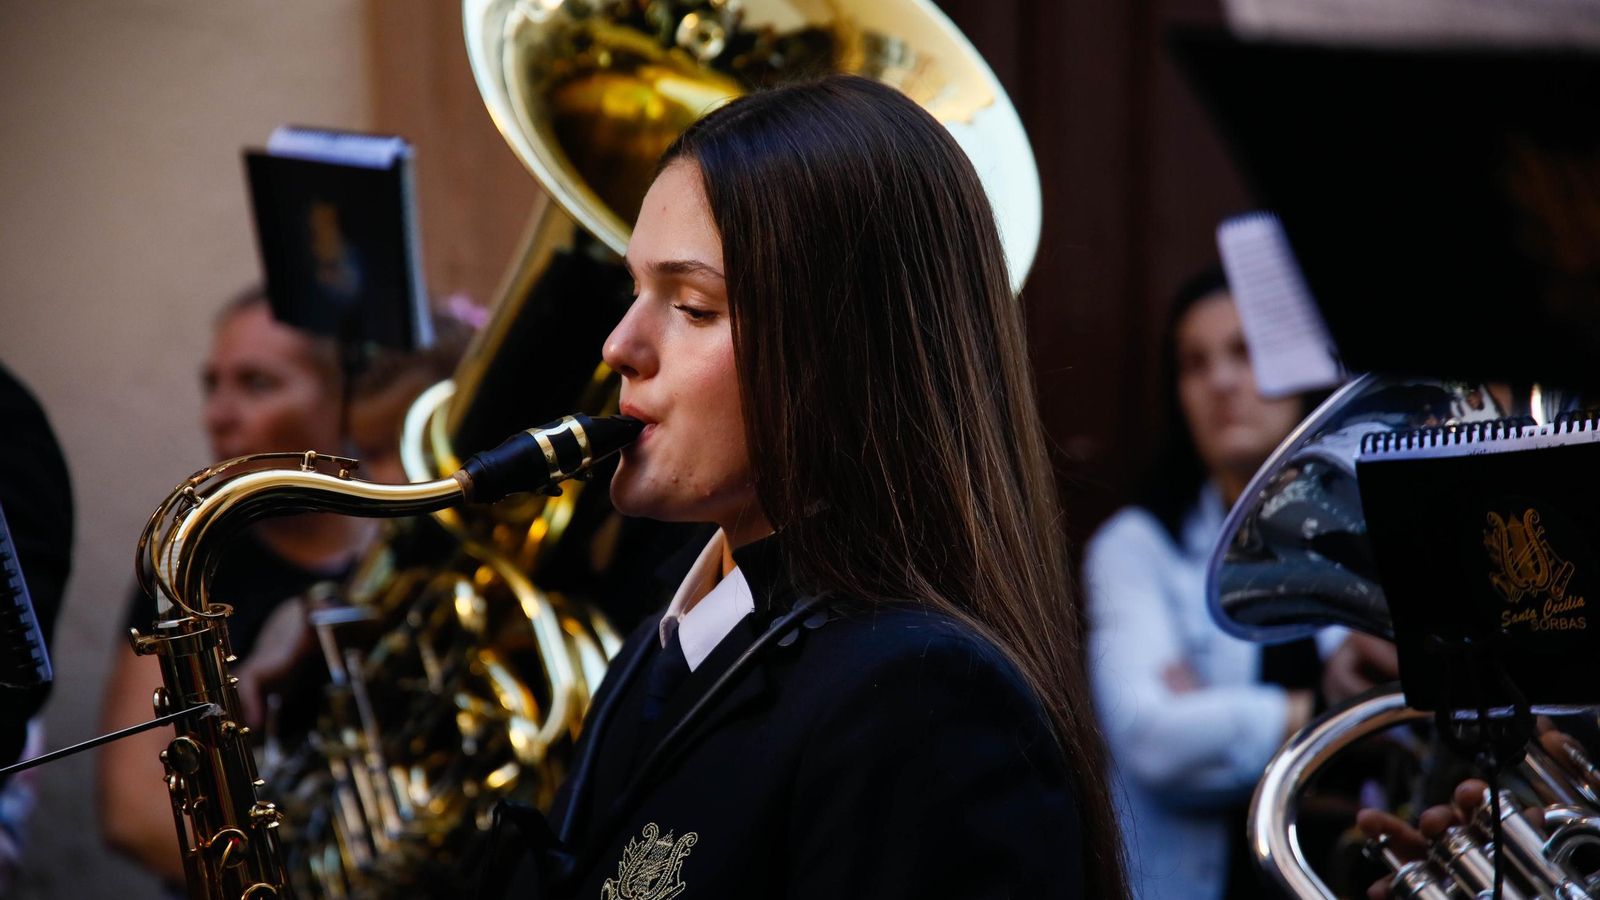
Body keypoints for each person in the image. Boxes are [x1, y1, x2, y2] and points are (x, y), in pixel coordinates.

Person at [484, 75, 1127, 898]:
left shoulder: (922, 702)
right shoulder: (663, 645)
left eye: (693, 307)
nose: (618, 346)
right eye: (632, 292)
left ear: (847, 353)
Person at [96, 287, 378, 887]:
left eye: (256, 384)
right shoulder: (189, 567)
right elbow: (132, 810)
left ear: (347, 400)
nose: (217, 415)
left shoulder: (411, 555)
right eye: (212, 385)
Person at [1083, 269, 1321, 900]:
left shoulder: (1367, 534)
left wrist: (1217, 713)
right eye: (1194, 363)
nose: (1221, 381)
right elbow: (1152, 738)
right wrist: (1321, 707)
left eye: (1247, 352)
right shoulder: (1136, 548)